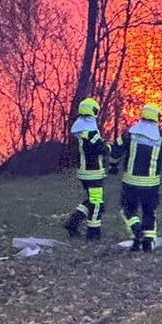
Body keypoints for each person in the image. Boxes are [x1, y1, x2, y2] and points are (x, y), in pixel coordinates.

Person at [110, 104, 162, 253]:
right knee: (149, 211)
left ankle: (137, 231)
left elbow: (115, 151)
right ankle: (148, 243)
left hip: (130, 182)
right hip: (151, 184)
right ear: (157, 118)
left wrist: (113, 165)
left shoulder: (129, 134)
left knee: (128, 210)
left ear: (142, 116)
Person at [63, 97, 109, 241]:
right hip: (93, 172)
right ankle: (93, 233)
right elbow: (103, 149)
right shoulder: (91, 133)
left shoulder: (79, 131)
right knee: (97, 204)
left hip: (84, 172)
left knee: (91, 200)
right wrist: (111, 147)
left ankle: (73, 222)